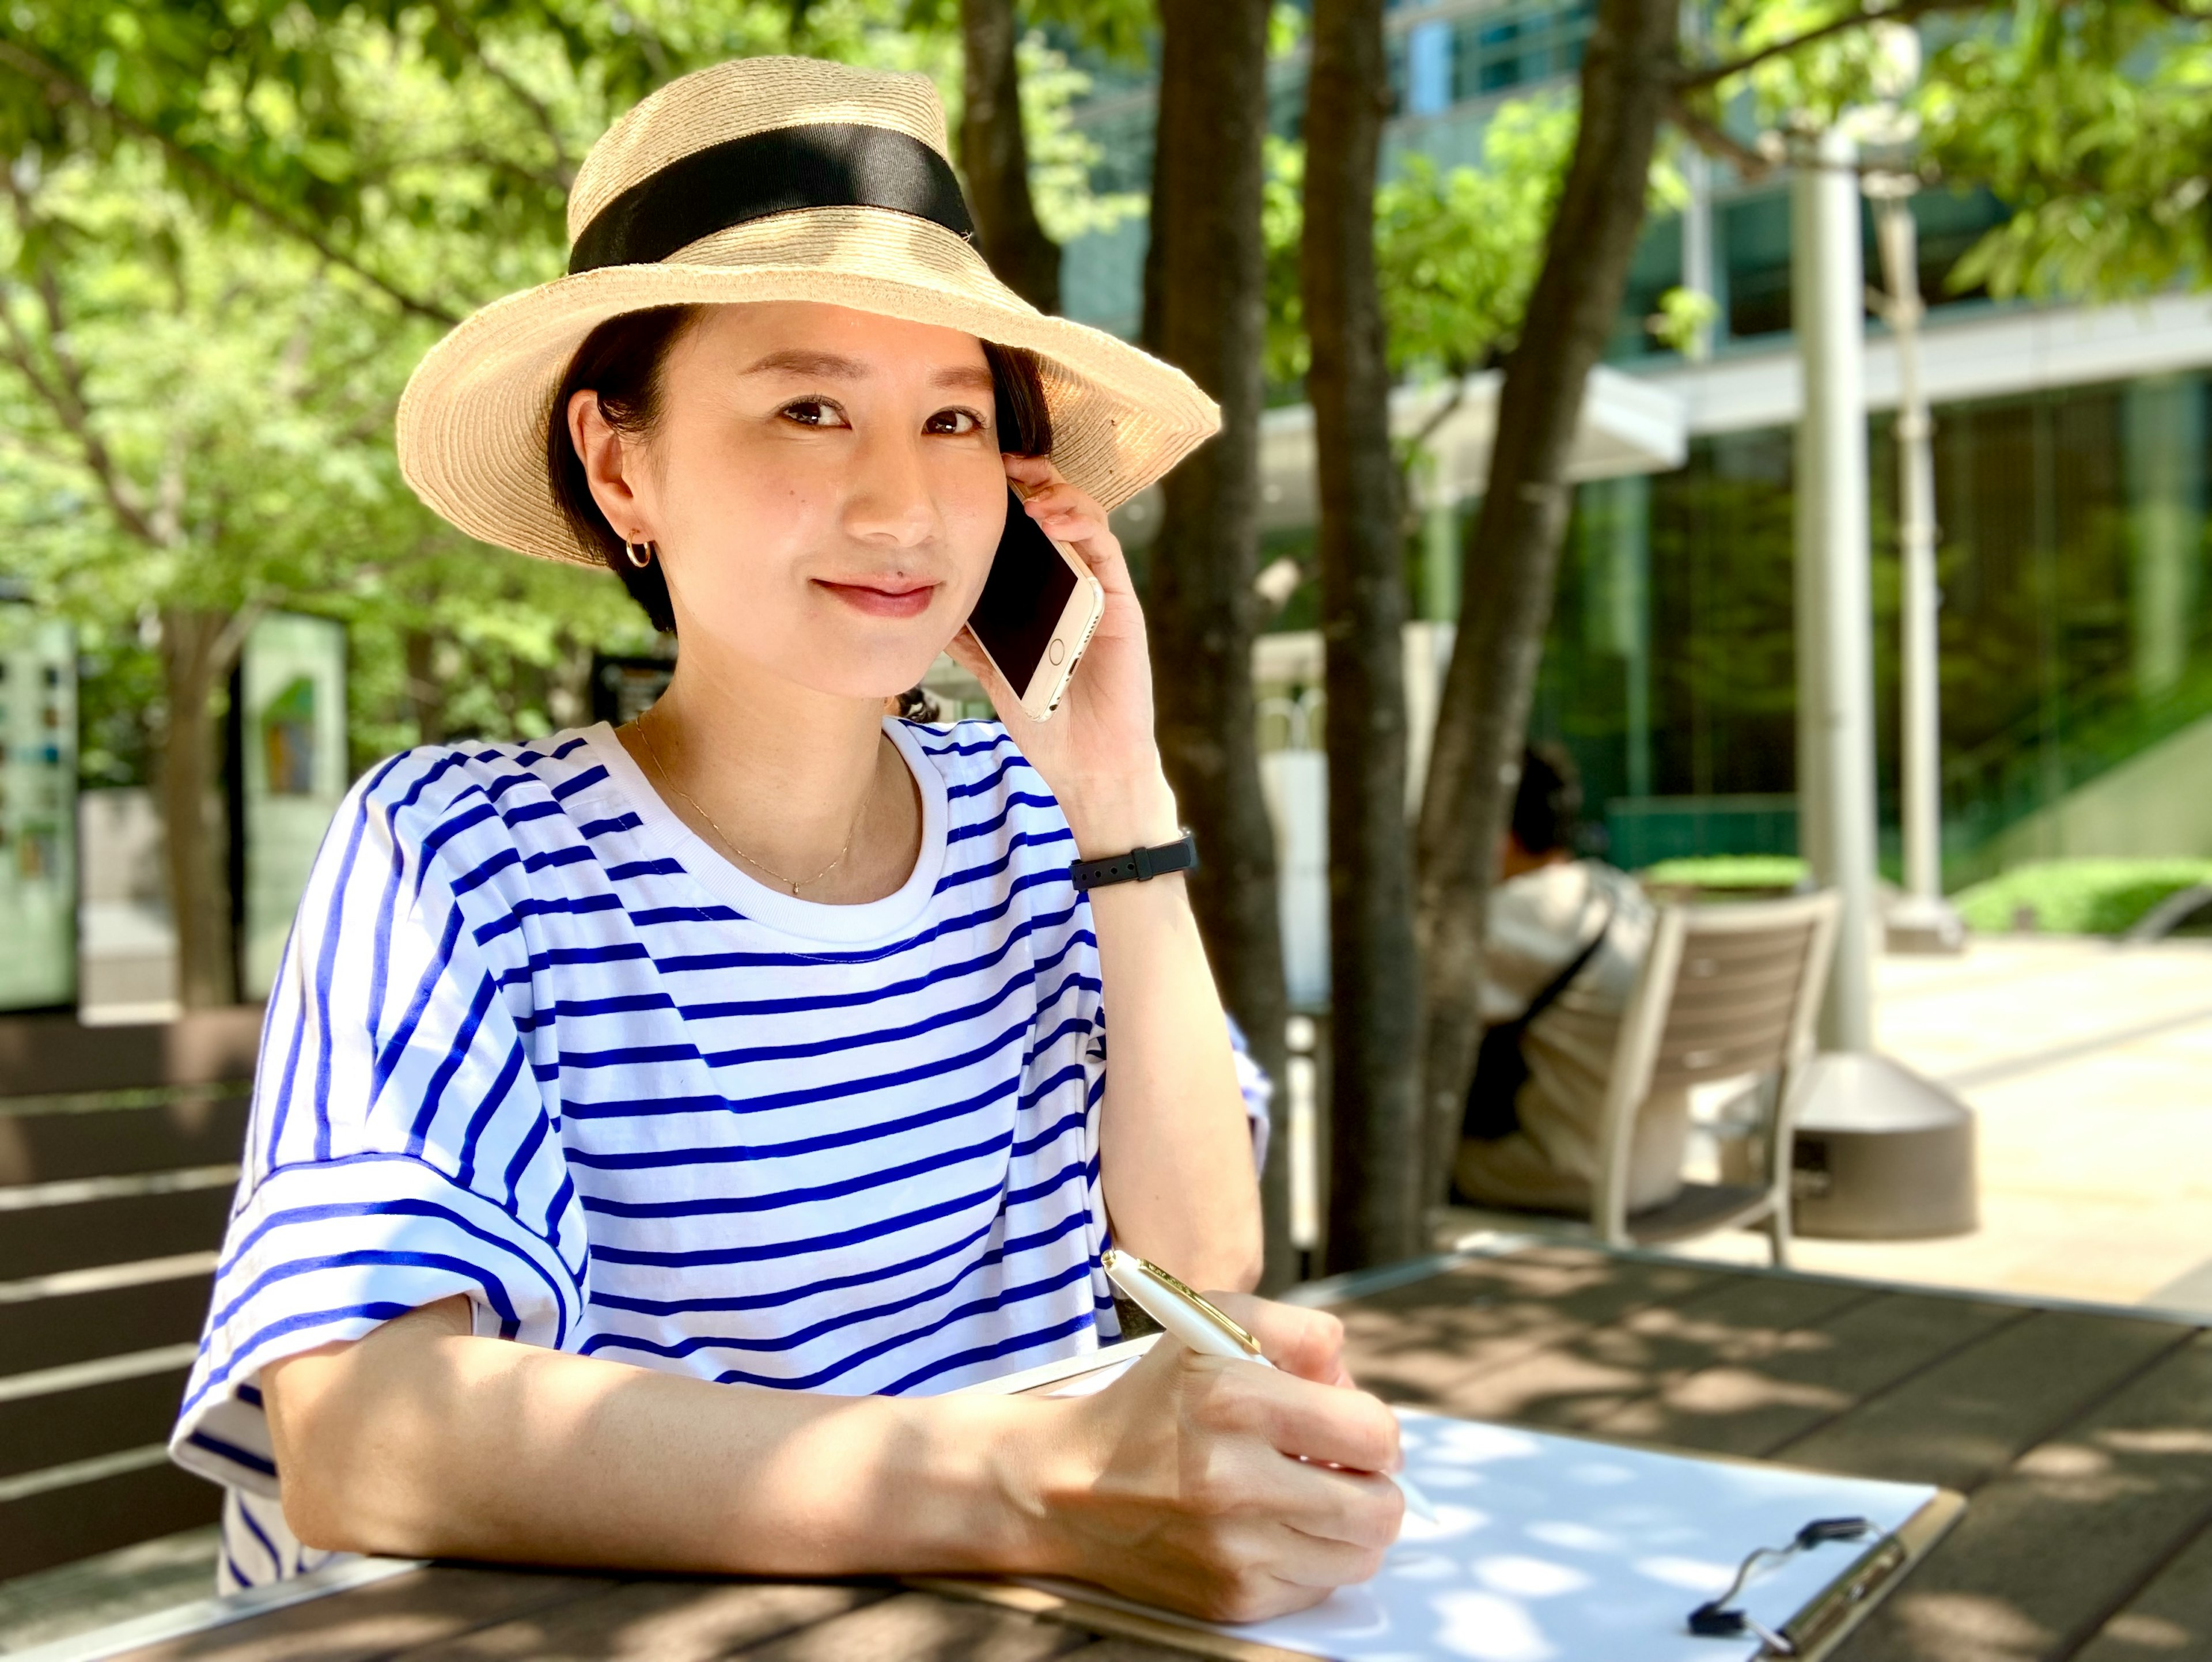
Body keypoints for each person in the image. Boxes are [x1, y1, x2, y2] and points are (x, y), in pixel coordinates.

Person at [168, 58, 1403, 1624]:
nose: (902, 504)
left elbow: (1207, 1267)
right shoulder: (457, 848)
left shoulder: (1037, 832)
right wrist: (1015, 1485)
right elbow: (362, 1432)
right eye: (809, 406)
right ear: (622, 463)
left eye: (953, 417)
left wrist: (1119, 798)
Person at [1453, 745, 1689, 1217]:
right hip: (1659, 1165)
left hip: (1575, 1173)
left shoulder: (1517, 917)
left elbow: (1412, 1018)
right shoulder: (1614, 891)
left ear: (1496, 836)